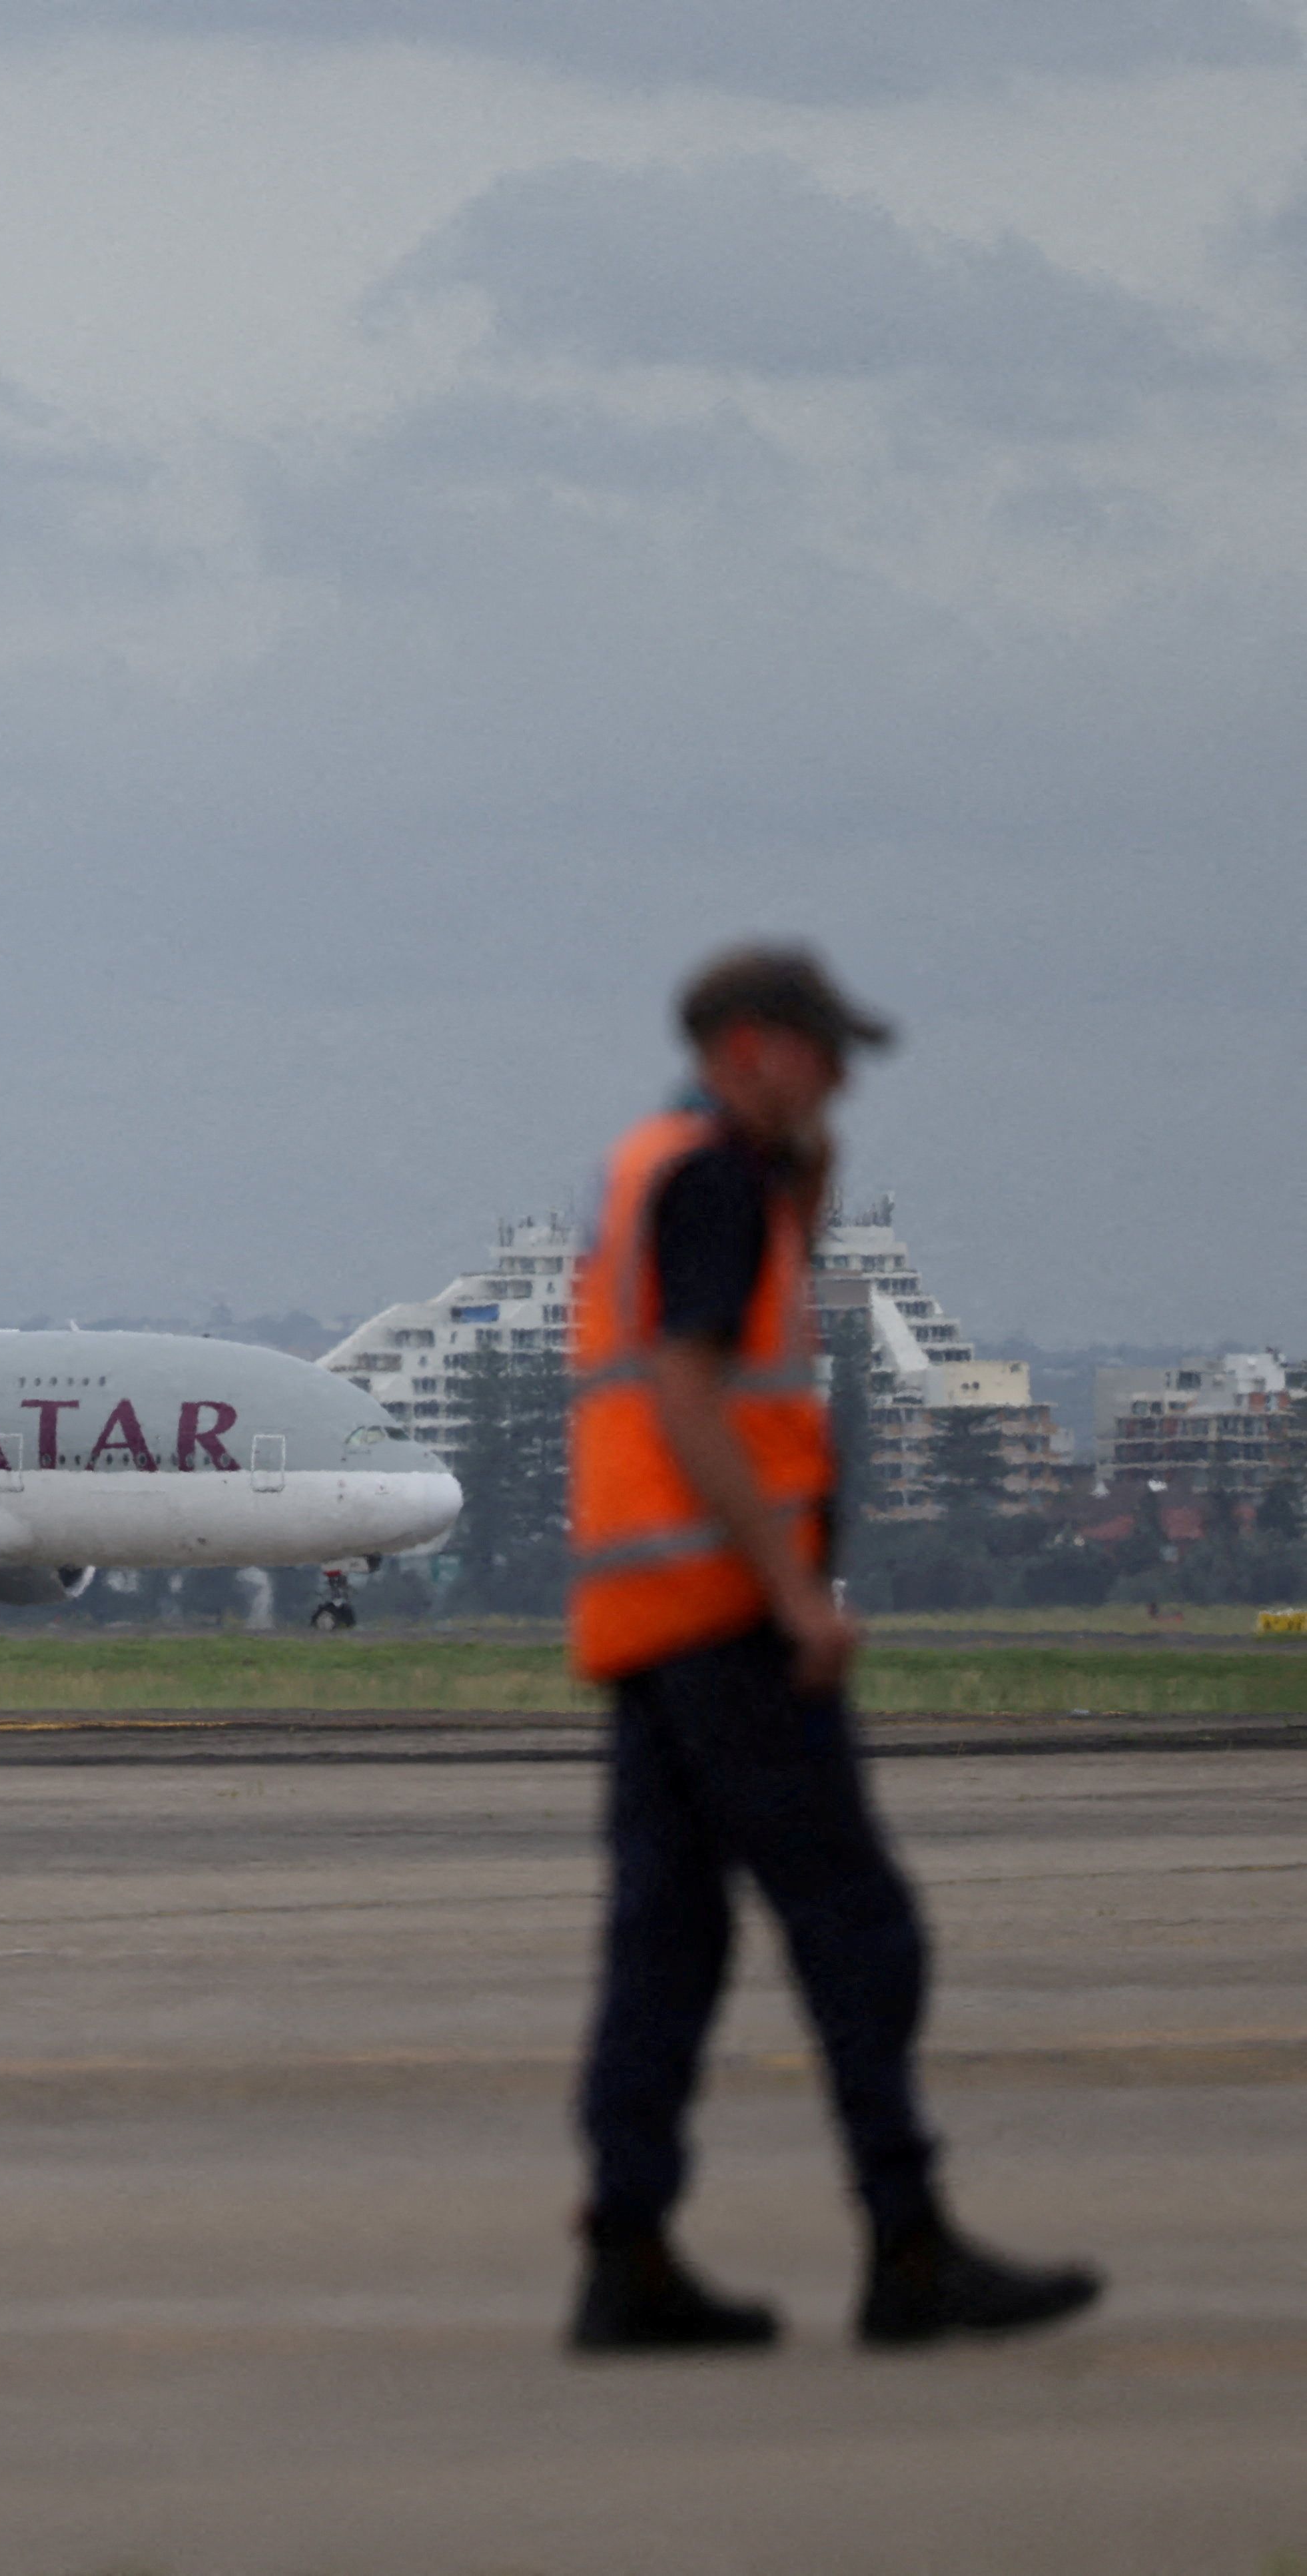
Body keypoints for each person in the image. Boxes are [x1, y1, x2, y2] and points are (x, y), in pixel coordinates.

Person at [563, 945, 1100, 2355]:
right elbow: (691, 1388)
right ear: (753, 1046)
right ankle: (908, 2244)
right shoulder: (716, 1182)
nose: (844, 1077)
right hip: (727, 1621)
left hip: (644, 1622)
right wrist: (795, 1590)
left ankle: (628, 2253)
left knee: (666, 1945)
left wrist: (806, 1181)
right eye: (823, 1050)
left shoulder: (661, 1168)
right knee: (860, 1925)